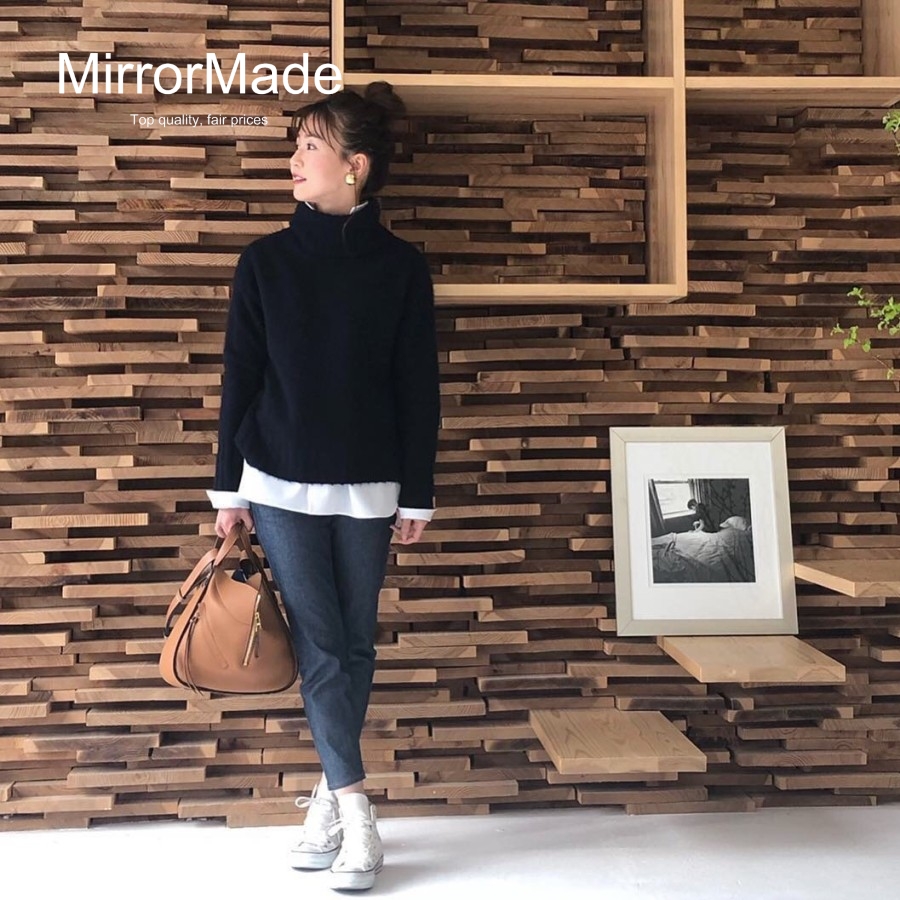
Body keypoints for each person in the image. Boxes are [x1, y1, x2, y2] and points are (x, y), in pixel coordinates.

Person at [207, 81, 440, 892]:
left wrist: (418, 492)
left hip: (371, 486)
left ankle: (327, 804)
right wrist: (228, 491)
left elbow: (418, 387)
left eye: (309, 146)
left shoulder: (402, 268)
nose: (294, 161)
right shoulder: (264, 263)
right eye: (296, 147)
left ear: (355, 166)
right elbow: (240, 378)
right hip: (277, 481)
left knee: (354, 644)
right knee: (320, 642)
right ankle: (357, 806)